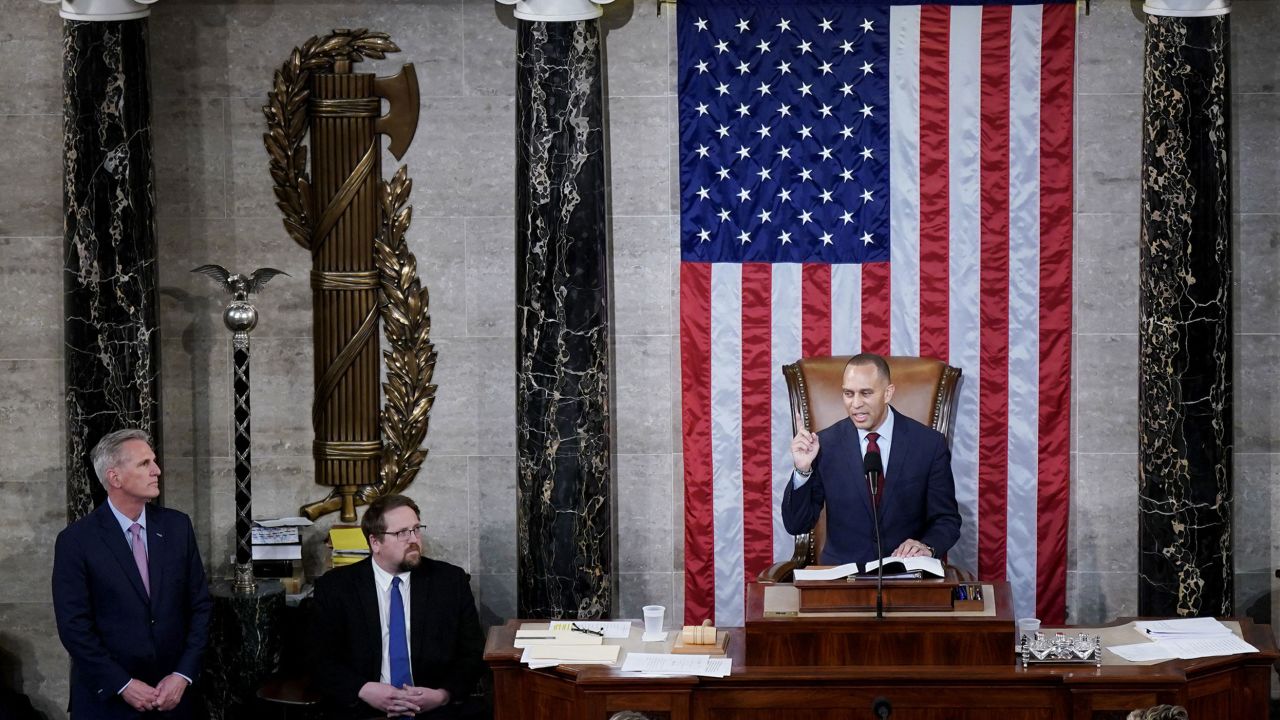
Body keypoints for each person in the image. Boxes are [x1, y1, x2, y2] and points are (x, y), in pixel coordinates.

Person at [52, 429, 212, 718]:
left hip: (175, 697)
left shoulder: (178, 528)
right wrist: (122, 684)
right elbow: (74, 627)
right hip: (109, 703)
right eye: (144, 464)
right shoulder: (76, 541)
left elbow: (200, 606)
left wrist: (183, 674)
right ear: (115, 478)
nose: (157, 470)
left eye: (154, 461)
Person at [311, 494, 485, 719]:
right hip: (362, 709)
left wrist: (442, 694)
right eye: (402, 533)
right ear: (375, 543)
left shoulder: (450, 581)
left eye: (416, 529)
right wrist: (363, 689)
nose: (413, 539)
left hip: (435, 710)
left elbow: (473, 653)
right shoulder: (336, 587)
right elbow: (318, 659)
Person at [781, 353, 961, 565]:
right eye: (848, 393)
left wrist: (927, 547)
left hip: (906, 578)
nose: (855, 404)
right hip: (842, 581)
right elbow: (796, 525)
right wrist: (802, 470)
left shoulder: (928, 444)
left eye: (865, 393)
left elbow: (947, 520)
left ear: (888, 393)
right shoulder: (825, 445)